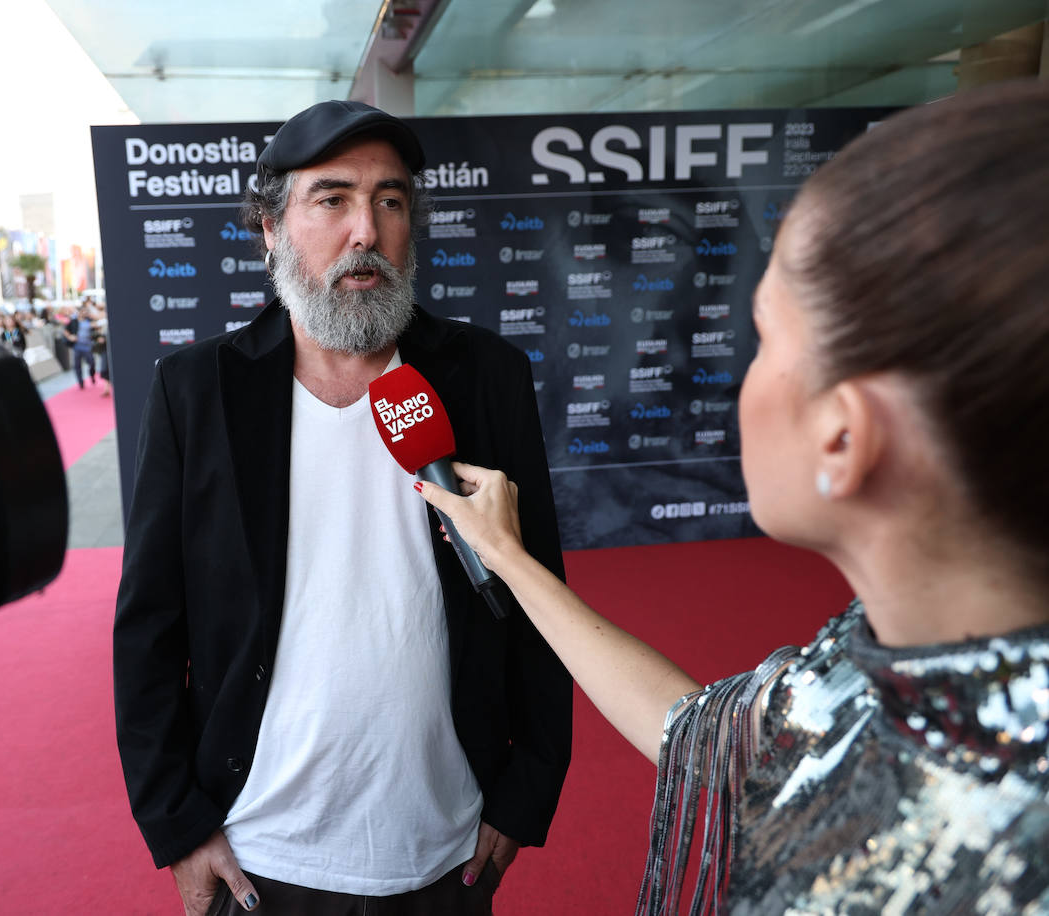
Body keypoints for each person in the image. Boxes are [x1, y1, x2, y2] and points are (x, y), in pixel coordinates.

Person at [415, 80, 1049, 915]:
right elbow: (703, 732)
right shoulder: (892, 656)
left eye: (766, 339)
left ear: (844, 437)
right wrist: (507, 558)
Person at [114, 100, 571, 916]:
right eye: (331, 200)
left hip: (446, 845)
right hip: (260, 849)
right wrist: (176, 825)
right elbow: (149, 626)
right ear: (269, 227)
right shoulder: (197, 391)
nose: (366, 230)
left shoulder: (486, 376)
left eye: (390, 201)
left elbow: (539, 600)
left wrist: (526, 790)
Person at [64, 302, 97, 389]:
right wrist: (70, 337)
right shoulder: (73, 321)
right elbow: (66, 331)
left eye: (86, 311)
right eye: (83, 311)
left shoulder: (89, 321)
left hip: (88, 346)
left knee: (92, 363)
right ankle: (80, 382)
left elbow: (97, 327)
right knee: (77, 365)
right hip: (77, 346)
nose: (84, 313)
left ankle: (92, 375)